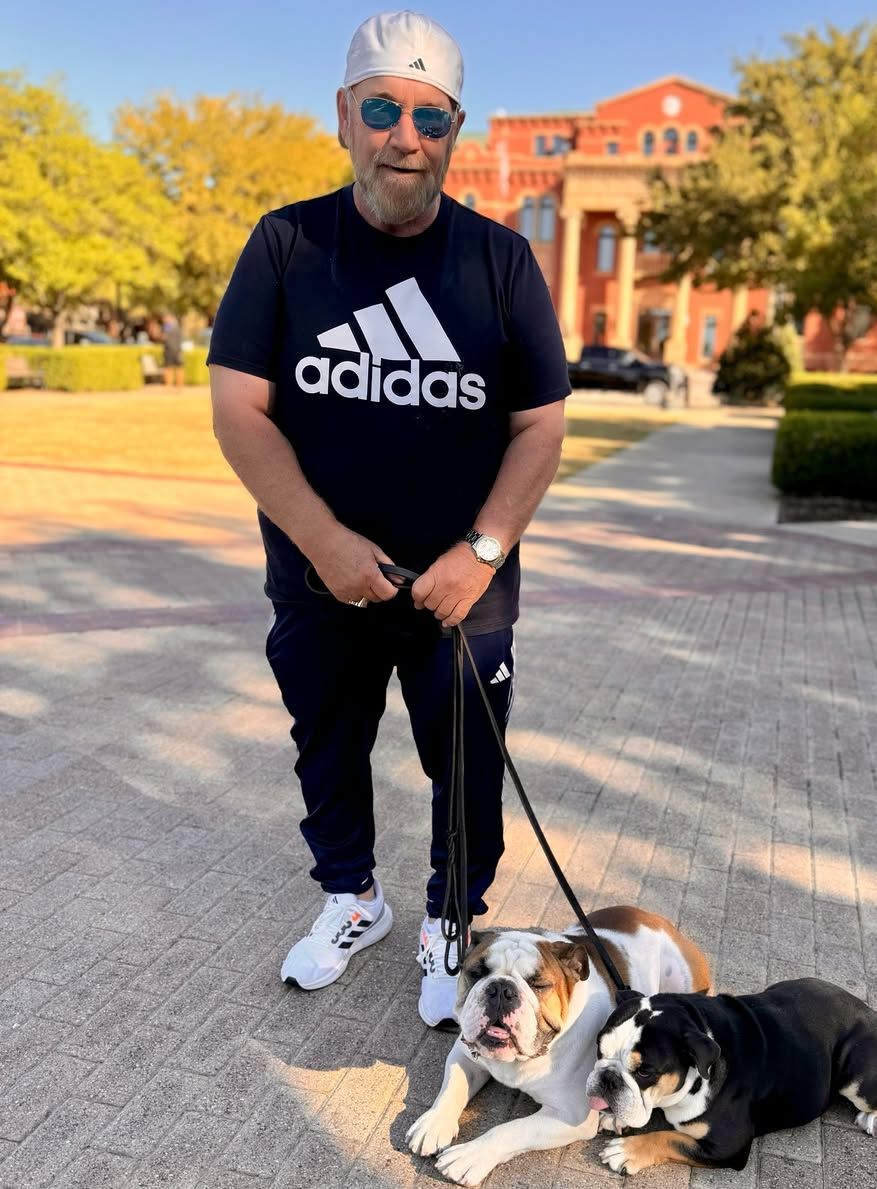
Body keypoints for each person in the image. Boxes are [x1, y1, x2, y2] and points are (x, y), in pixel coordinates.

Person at [207, 11, 568, 1027]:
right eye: (382, 109)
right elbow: (239, 408)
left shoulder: (499, 263)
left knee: (467, 765)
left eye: (429, 117)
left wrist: (481, 552)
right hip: (319, 579)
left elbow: (541, 426)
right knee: (325, 744)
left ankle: (451, 920)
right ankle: (353, 899)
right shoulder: (286, 246)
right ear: (345, 117)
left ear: (455, 132)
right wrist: (321, 540)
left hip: (464, 587)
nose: (404, 136)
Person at [161, 314, 184, 387]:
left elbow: (164, 337)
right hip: (177, 349)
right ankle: (179, 386)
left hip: (169, 350)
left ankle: (169, 385)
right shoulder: (178, 326)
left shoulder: (167, 326)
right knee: (179, 368)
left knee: (168, 368)